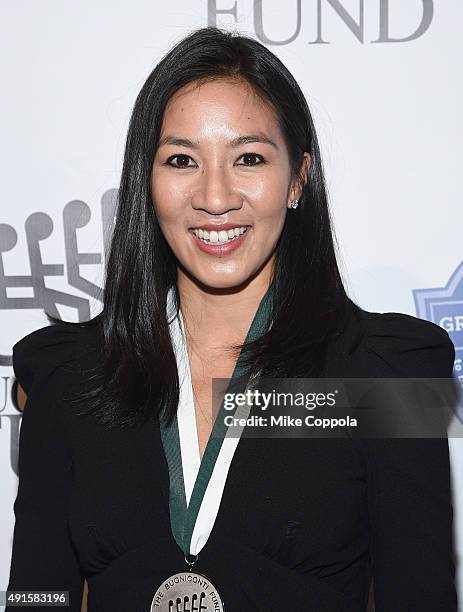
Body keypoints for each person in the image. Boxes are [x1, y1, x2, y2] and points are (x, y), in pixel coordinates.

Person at [6, 25, 457, 612]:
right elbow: (36, 598)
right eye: (181, 160)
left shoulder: (382, 376)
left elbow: (420, 597)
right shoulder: (71, 377)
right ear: (147, 181)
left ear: (298, 178)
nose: (215, 197)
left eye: (248, 158)